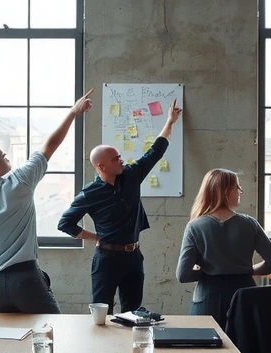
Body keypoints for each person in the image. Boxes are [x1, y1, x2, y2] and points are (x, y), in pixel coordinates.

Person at [0, 89, 95, 313]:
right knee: (51, 332)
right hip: (27, 280)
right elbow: (50, 145)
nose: (7, 157)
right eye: (3, 155)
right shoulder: (20, 181)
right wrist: (72, 113)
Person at [58, 99, 183, 312]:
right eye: (116, 158)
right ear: (102, 166)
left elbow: (156, 151)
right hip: (106, 260)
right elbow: (65, 223)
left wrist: (170, 121)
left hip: (134, 256)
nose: (121, 160)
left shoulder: (131, 176)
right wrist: (95, 237)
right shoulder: (90, 193)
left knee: (133, 313)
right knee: (102, 314)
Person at [176, 168, 271, 324]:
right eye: (237, 187)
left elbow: (183, 275)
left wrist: (206, 272)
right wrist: (248, 271)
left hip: (207, 298)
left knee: (207, 346)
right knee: (244, 346)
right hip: (245, 295)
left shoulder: (195, 226)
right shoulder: (249, 223)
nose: (240, 191)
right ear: (225, 191)